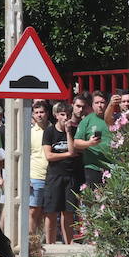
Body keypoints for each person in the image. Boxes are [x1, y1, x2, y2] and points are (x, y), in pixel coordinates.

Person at [41, 101, 80, 244]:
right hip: (54, 176)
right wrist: (68, 155)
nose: (65, 118)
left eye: (68, 115)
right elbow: (49, 155)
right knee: (51, 212)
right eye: (62, 115)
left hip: (70, 176)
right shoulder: (49, 132)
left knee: (68, 212)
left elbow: (73, 149)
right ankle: (50, 244)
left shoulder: (74, 131)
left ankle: (68, 243)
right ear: (56, 116)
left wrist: (69, 132)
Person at [72, 90, 113, 191]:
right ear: (92, 105)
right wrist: (89, 143)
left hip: (112, 166)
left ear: (107, 104)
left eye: (102, 102)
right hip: (93, 167)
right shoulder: (87, 121)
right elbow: (76, 143)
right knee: (94, 199)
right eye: (97, 103)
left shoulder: (114, 118)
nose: (100, 105)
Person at [28, 100, 51, 239]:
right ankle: (31, 240)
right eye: (36, 113)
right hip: (35, 176)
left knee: (48, 212)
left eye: (41, 112)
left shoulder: (53, 129)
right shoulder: (30, 133)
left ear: (47, 113)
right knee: (33, 210)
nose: (39, 115)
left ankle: (44, 240)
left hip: (52, 176)